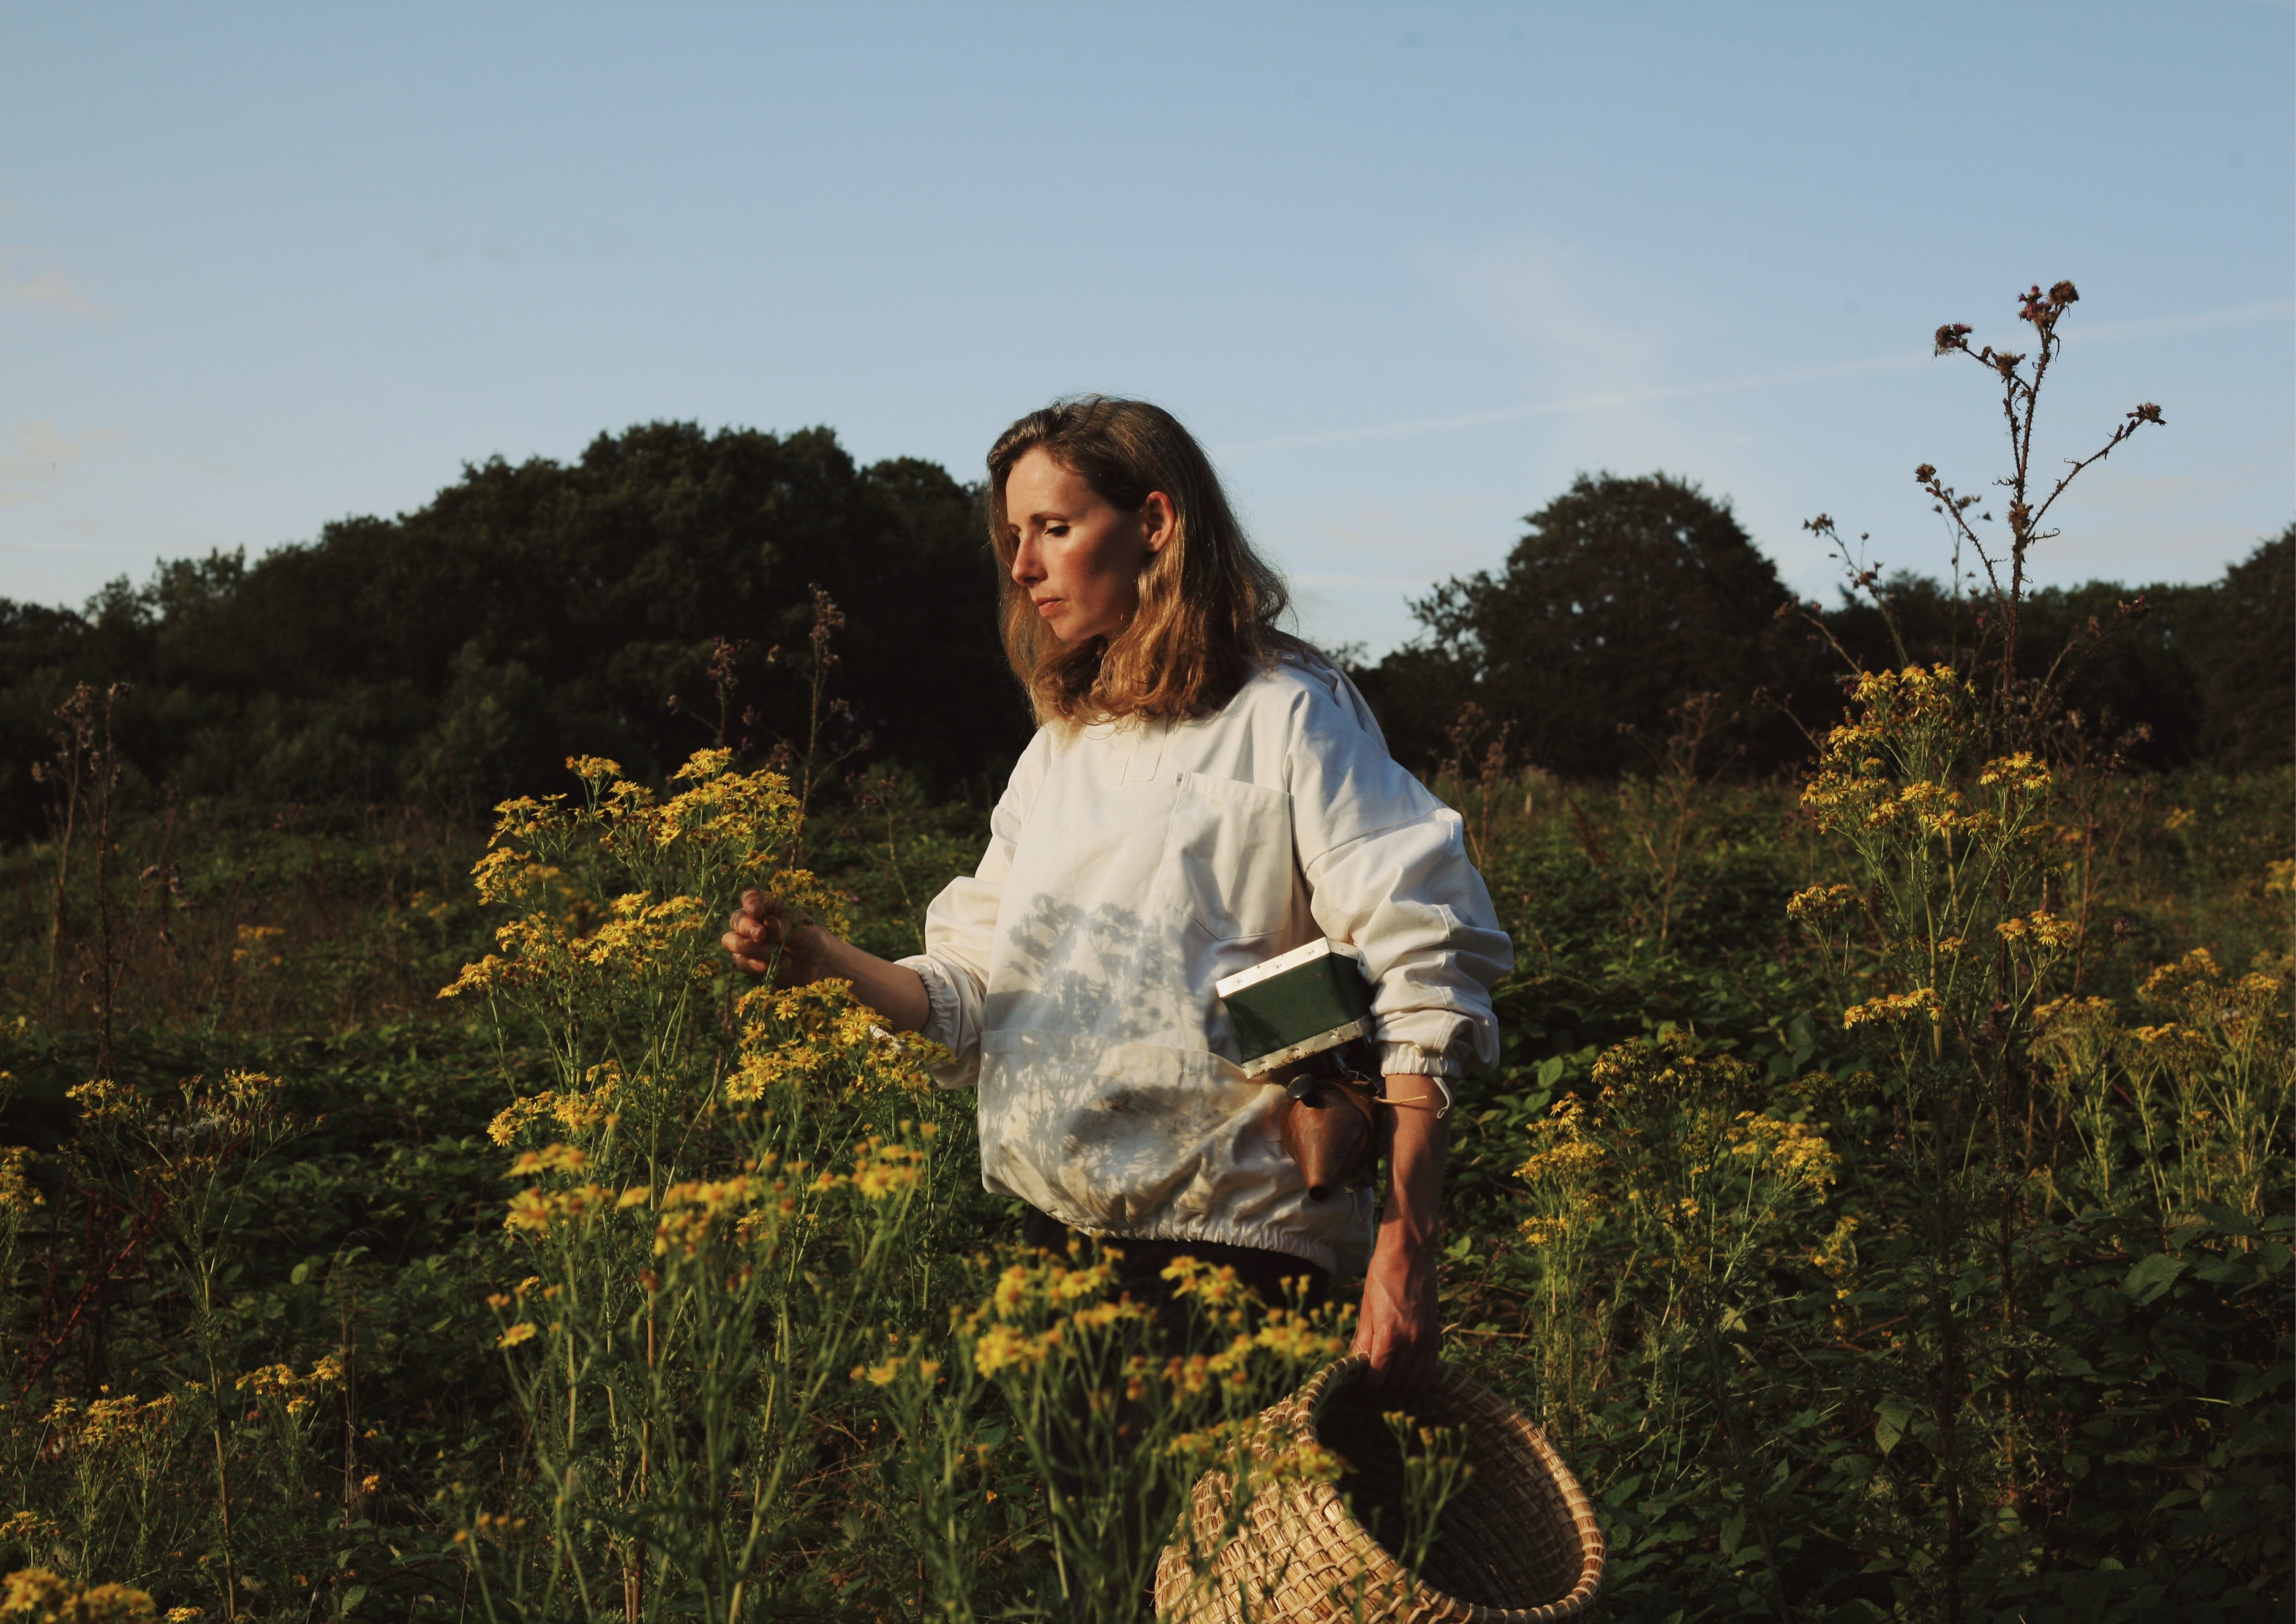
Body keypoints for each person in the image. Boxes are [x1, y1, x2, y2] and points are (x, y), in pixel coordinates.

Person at [723, 396, 1510, 1396]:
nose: (1022, 566)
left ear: (1156, 522)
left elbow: (1424, 961)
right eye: (1015, 536)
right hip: (1063, 1258)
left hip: (1240, 1261)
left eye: (1053, 527)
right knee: (1101, 1556)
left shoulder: (1288, 713)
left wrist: (1407, 1256)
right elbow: (976, 989)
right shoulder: (1065, 746)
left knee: (1234, 1552)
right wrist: (829, 960)